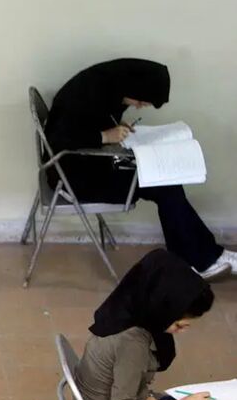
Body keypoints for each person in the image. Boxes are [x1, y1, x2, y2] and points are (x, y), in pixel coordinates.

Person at [45, 58, 237, 279]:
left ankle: (201, 256)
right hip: (75, 180)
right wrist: (105, 135)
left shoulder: (104, 84)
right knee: (165, 186)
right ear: (133, 88)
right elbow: (57, 140)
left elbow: (83, 123)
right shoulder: (90, 92)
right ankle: (202, 259)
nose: (137, 106)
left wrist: (112, 129)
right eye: (140, 101)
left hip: (87, 166)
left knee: (166, 183)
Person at [74, 249, 218, 400]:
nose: (182, 331)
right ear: (161, 308)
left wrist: (148, 397)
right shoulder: (132, 344)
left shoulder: (120, 313)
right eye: (178, 324)